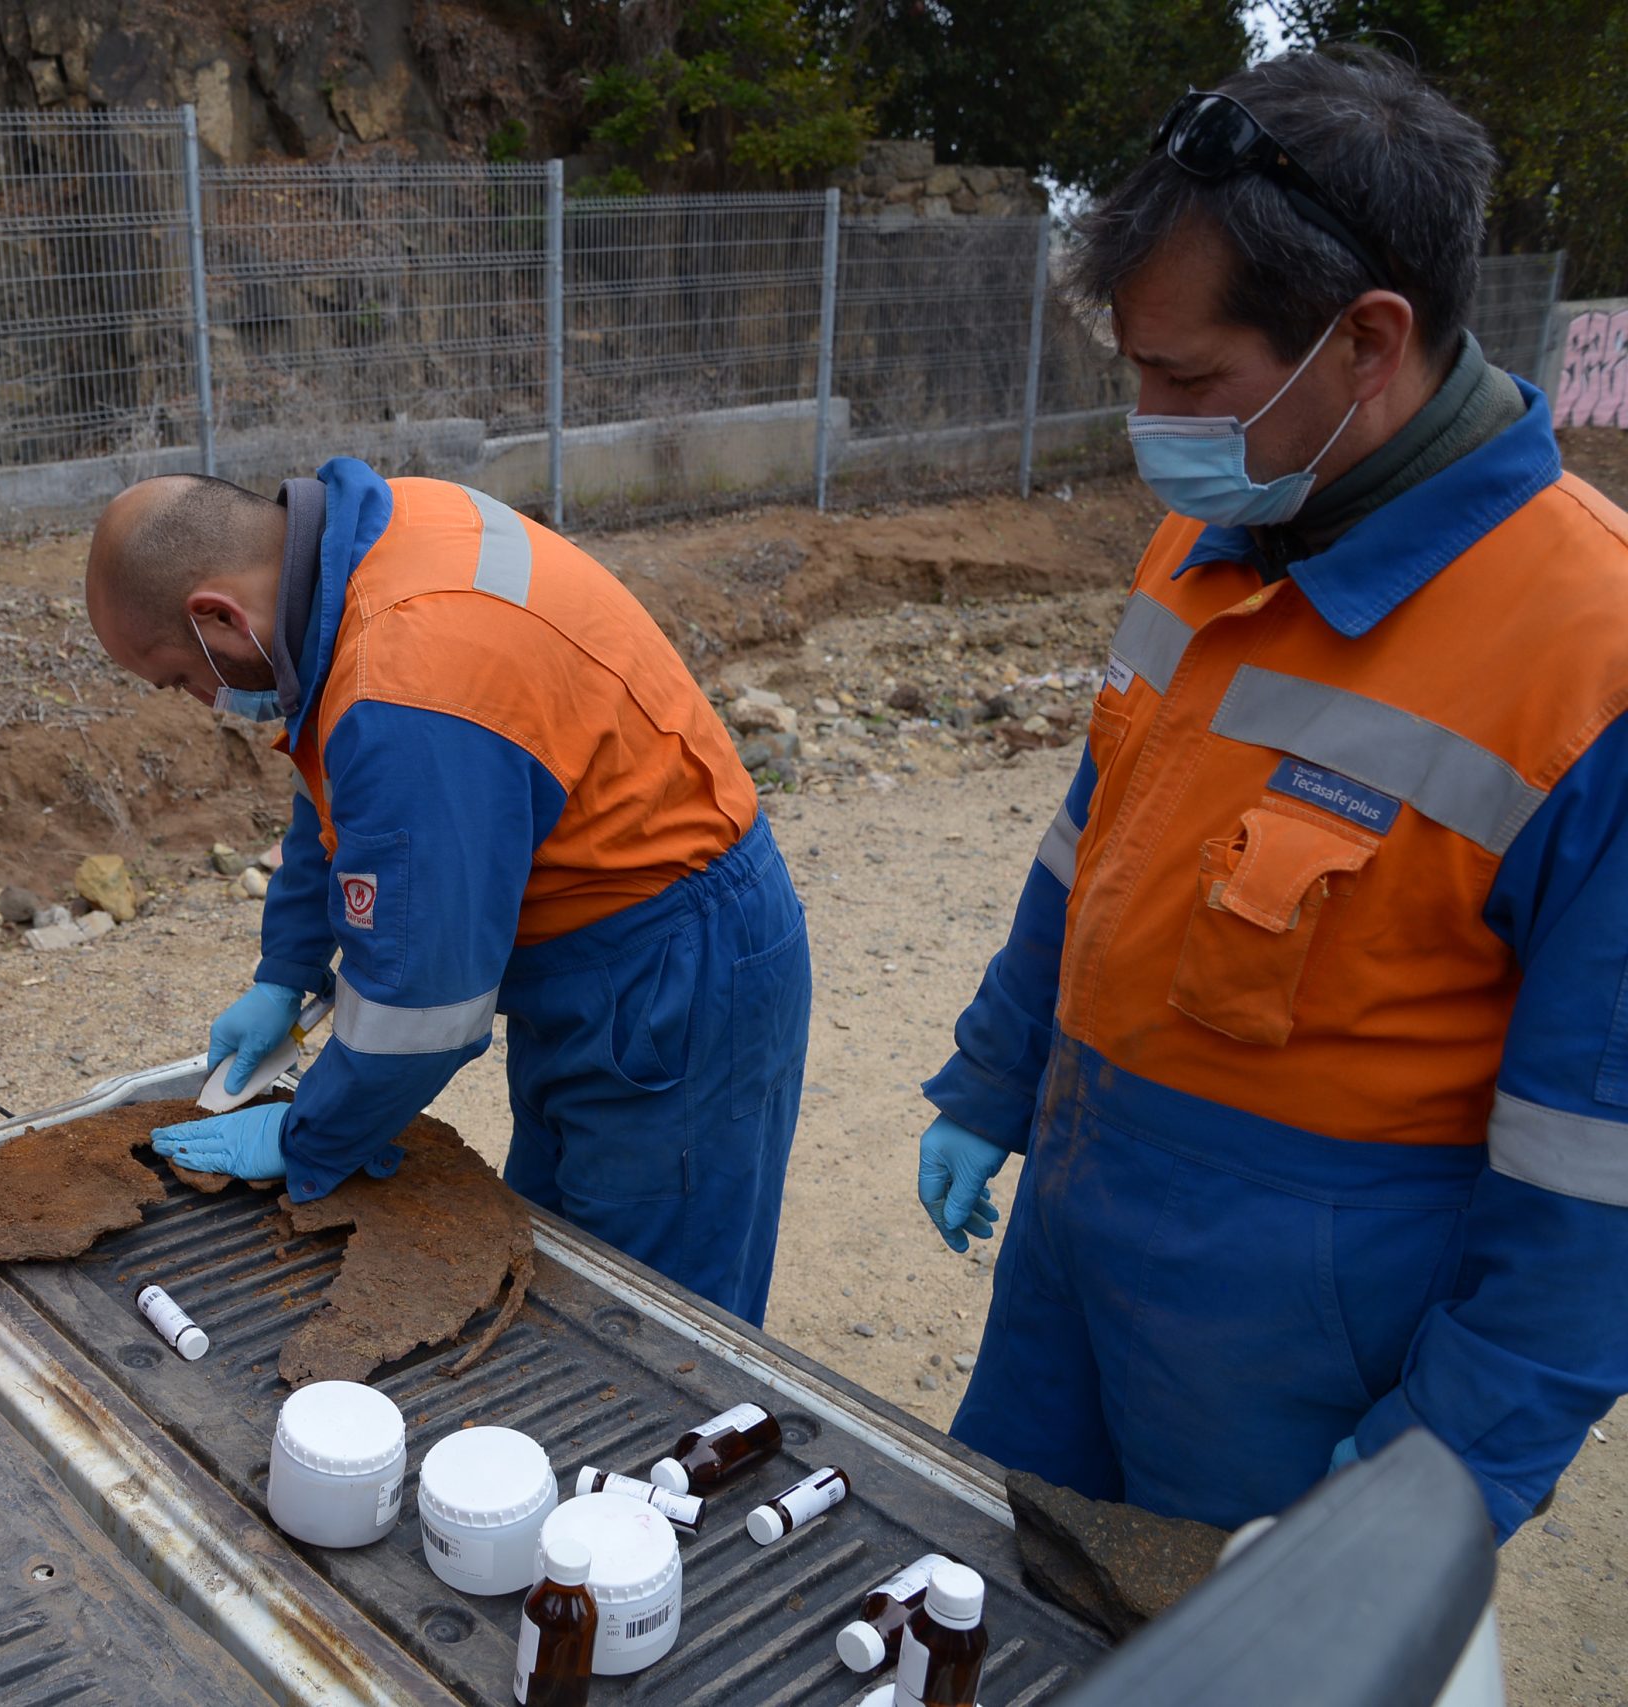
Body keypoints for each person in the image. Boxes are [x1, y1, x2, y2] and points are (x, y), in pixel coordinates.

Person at [915, 47, 1628, 1542]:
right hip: (1075, 1258)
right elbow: (1088, 843)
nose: (1151, 419)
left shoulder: (1591, 664)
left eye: (1187, 380)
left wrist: (1430, 1480)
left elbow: (1594, 1175)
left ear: (1365, 342)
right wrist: (994, 1076)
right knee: (1014, 1587)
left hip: (1294, 1367)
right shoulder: (1218, 535)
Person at [82, 462, 811, 1320]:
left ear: (216, 616)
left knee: (648, 1315)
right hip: (605, 948)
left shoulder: (405, 681)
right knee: (561, 1262)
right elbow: (335, 779)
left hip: (676, 974)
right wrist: (288, 967)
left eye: (180, 678)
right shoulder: (376, 540)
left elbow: (423, 1013)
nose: (202, 700)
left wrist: (304, 1132)